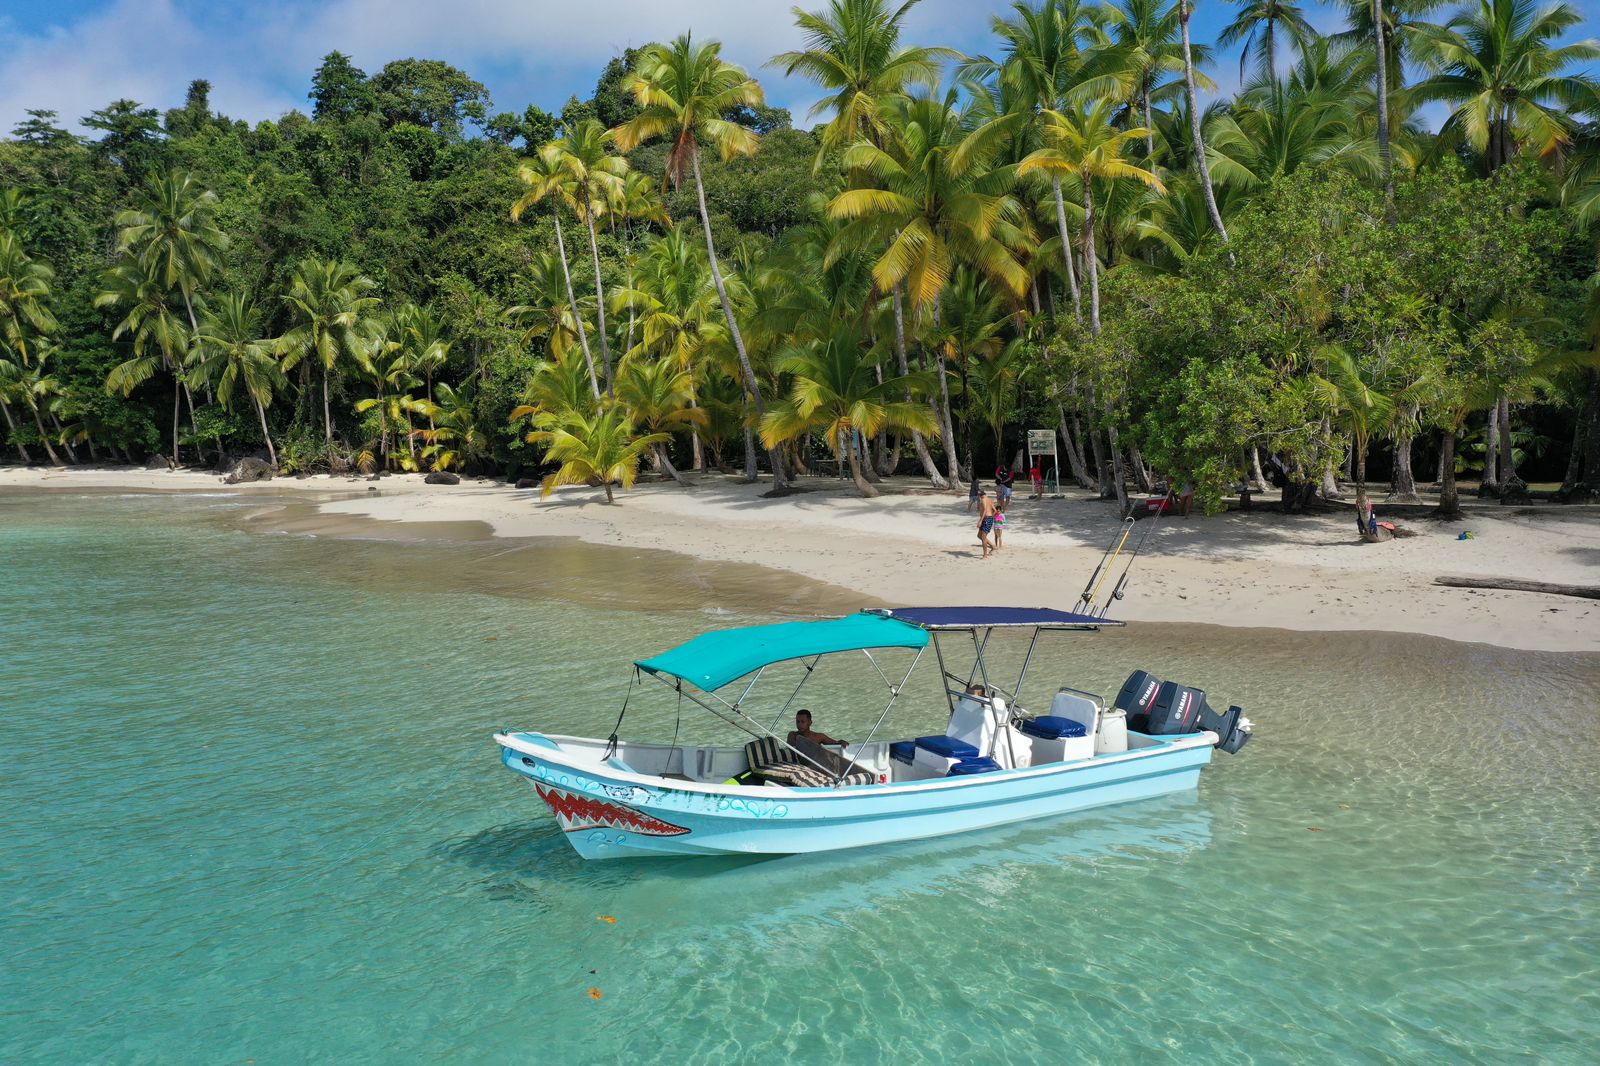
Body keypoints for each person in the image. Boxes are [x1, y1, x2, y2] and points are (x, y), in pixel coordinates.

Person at [976, 490, 997, 558]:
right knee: (979, 535)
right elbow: (995, 510)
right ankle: (993, 546)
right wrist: (991, 517)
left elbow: (985, 510)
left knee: (983, 537)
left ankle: (985, 555)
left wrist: (981, 521)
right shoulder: (989, 499)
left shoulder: (983, 500)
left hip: (986, 519)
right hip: (988, 519)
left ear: (980, 496)